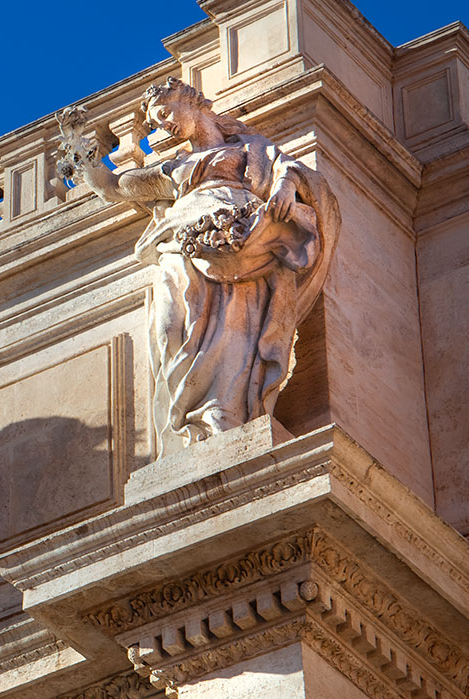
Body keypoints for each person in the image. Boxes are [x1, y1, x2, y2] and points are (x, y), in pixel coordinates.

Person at [74, 77, 339, 453]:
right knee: (170, 328)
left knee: (233, 332)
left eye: (165, 113)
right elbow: (114, 187)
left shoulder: (252, 148)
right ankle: (189, 419)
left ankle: (222, 413)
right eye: (155, 122)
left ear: (192, 103)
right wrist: (81, 156)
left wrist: (284, 188)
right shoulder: (174, 169)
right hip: (183, 247)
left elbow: (293, 172)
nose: (162, 125)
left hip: (245, 246)